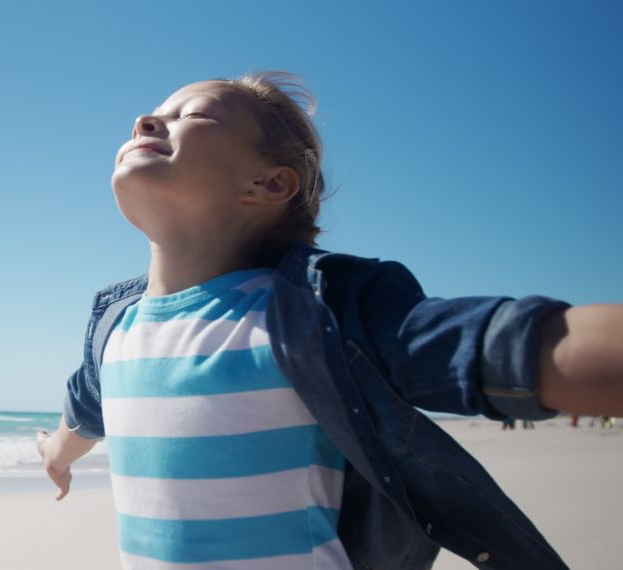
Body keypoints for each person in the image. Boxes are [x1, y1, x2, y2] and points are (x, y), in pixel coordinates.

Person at [35, 71, 623, 569]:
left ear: (268, 184)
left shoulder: (316, 311)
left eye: (193, 114)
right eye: (152, 112)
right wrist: (56, 457)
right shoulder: (115, 327)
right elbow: (84, 412)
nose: (145, 119)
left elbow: (507, 349)